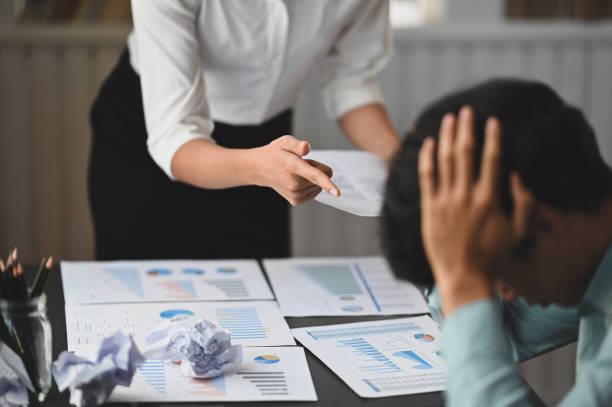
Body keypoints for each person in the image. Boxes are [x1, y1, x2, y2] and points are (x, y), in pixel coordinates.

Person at [88, 0, 400, 260]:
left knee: (264, 318)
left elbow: (351, 80)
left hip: (267, 149)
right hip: (150, 142)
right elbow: (175, 134)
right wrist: (260, 168)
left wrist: (397, 157)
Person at [382, 79, 612, 406]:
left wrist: (465, 282)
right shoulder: (585, 257)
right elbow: (489, 331)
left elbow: (475, 324)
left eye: (497, 272)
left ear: (543, 224)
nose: (507, 294)